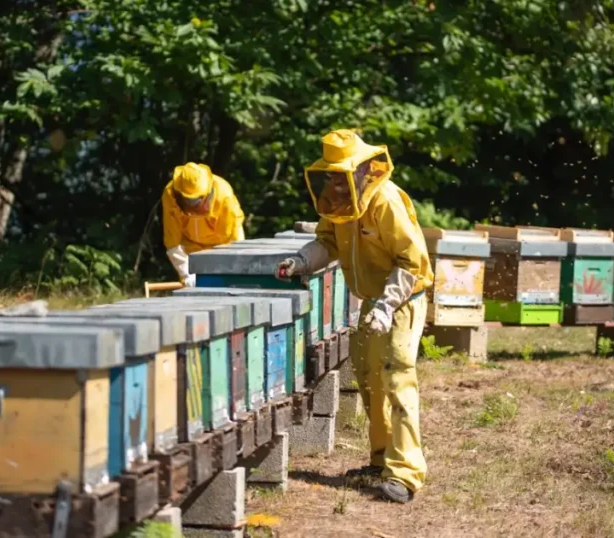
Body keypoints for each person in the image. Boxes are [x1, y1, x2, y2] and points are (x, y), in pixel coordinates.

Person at [276, 129, 434, 503]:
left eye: (341, 175)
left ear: (363, 170)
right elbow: (328, 243)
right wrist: (301, 261)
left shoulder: (386, 202)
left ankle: (406, 473)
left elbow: (412, 262)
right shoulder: (335, 201)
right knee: (367, 376)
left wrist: (386, 305)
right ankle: (381, 460)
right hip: (372, 300)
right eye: (330, 176)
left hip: (404, 296)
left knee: (397, 376)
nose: (335, 184)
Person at [162, 162, 246, 286]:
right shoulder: (170, 196)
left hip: (221, 249)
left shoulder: (225, 198)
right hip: (190, 253)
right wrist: (187, 274)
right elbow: (172, 241)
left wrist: (228, 271)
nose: (193, 205)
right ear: (179, 195)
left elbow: (233, 242)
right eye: (188, 201)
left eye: (197, 200)